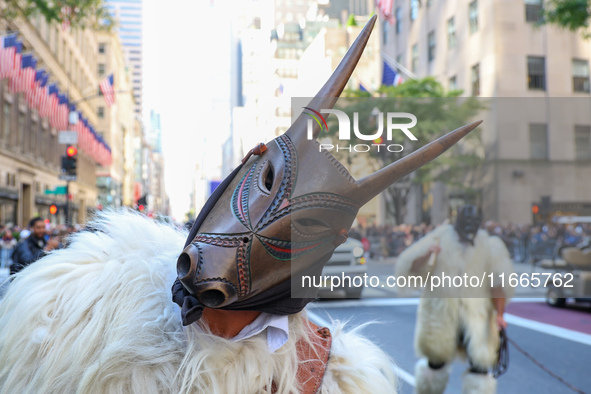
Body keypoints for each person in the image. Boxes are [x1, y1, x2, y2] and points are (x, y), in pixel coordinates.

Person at [0, 16, 482, 393]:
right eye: (267, 179)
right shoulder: (71, 308)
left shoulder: (331, 371)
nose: (251, 236)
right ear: (250, 161)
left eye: (303, 223)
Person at [395, 205, 514, 394]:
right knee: (435, 365)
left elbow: (497, 284)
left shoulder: (490, 246)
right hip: (441, 314)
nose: (469, 226)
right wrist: (426, 254)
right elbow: (412, 267)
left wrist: (499, 315)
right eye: (466, 221)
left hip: (477, 316)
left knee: (480, 367)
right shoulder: (440, 237)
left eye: (474, 222)